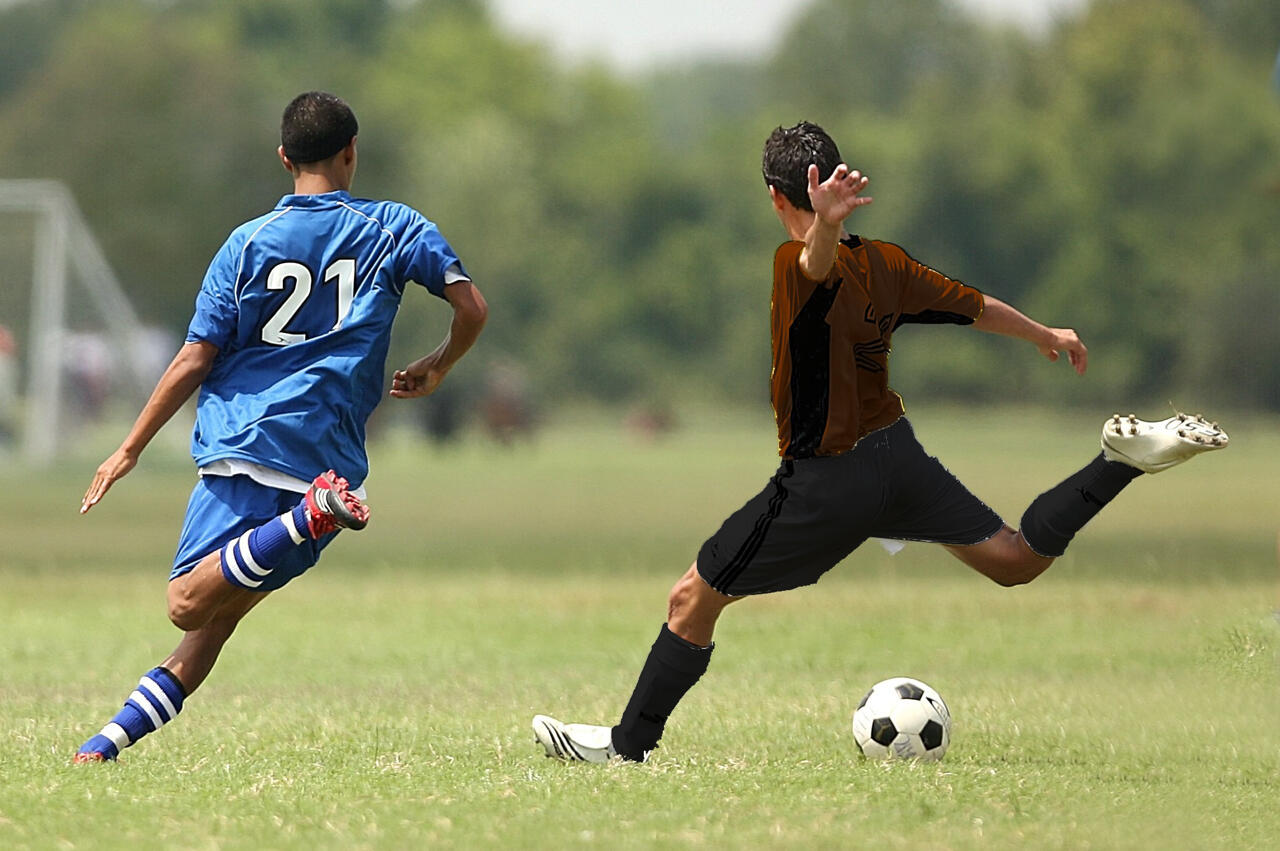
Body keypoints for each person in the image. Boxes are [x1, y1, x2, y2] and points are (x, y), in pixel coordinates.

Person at [532, 121, 1226, 763]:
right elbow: (972, 305)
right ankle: (1115, 463)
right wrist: (1046, 333)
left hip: (824, 481)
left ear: (776, 196)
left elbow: (813, 266)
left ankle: (627, 746)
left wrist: (823, 229)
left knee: (692, 598)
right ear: (831, 180)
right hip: (896, 458)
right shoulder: (887, 263)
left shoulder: (792, 262)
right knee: (1015, 558)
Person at [74, 91, 488, 762]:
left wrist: (128, 447)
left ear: (283, 159)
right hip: (328, 455)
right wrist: (438, 365)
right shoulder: (394, 226)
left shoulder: (246, 244)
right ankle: (104, 745)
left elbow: (194, 357)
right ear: (352, 152)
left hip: (247, 444)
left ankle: (305, 517)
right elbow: (472, 307)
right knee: (212, 626)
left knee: (186, 602)